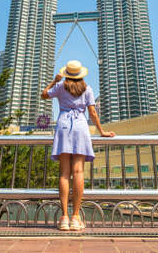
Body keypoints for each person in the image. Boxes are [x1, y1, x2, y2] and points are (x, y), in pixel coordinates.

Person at [41, 60, 115, 231]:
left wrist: (54, 80)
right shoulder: (87, 89)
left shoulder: (60, 87)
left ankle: (64, 218)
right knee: (78, 172)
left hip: (63, 126)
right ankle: (75, 217)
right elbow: (93, 112)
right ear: (81, 74)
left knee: (64, 174)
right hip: (81, 127)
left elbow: (44, 95)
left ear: (66, 73)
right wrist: (101, 131)